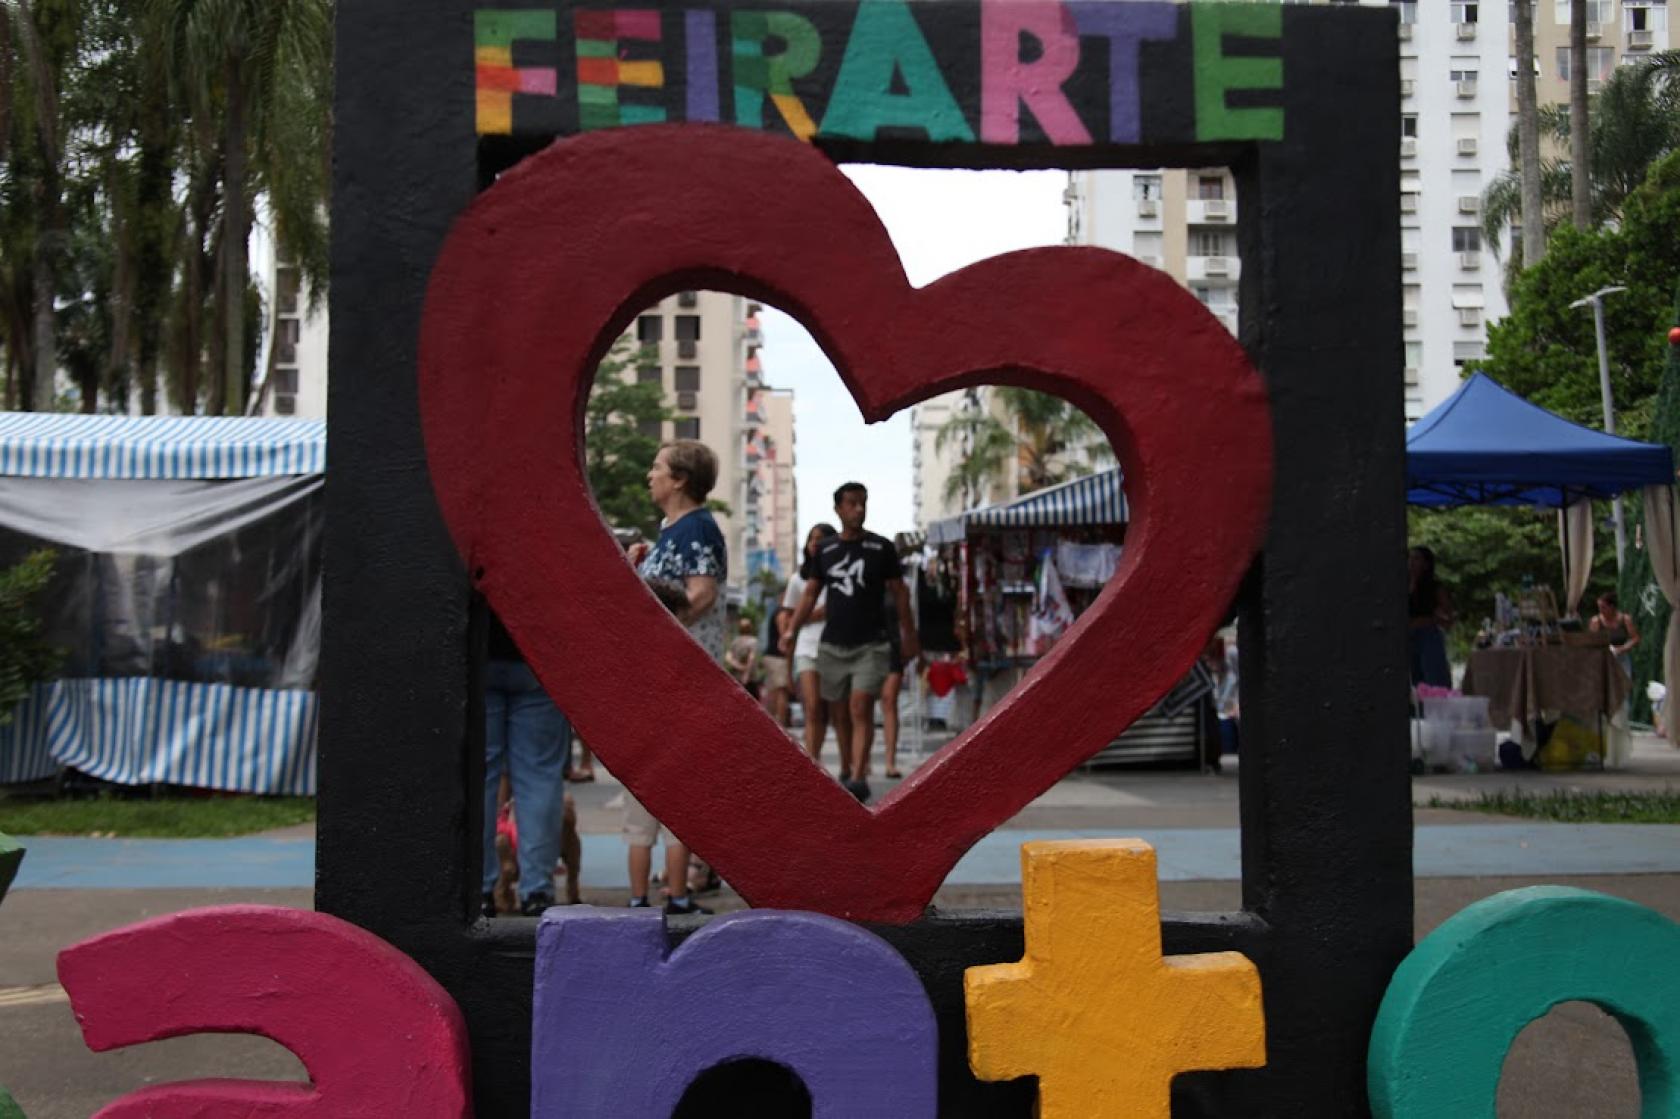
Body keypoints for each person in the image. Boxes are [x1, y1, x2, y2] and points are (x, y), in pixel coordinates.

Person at [624, 439, 724, 916]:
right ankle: (670, 889)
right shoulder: (670, 532)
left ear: (680, 479)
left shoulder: (698, 529)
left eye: (657, 467)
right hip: (663, 676)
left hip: (685, 677)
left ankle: (676, 890)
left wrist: (647, 591)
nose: (650, 475)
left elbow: (699, 596)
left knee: (678, 786)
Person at [783, 484, 919, 803]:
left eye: (863, 504)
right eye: (852, 504)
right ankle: (846, 767)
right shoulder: (826, 551)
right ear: (838, 510)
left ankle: (859, 775)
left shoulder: (881, 548)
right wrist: (792, 628)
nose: (858, 509)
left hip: (871, 643)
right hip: (833, 645)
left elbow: (900, 593)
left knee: (861, 706)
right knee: (839, 711)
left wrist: (909, 634)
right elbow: (810, 593)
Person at [481, 610, 569, 917]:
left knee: (480, 775)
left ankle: (480, 888)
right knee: (539, 777)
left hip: (480, 646)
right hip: (538, 648)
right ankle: (537, 891)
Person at [784, 524, 843, 769]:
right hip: (806, 647)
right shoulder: (797, 579)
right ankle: (811, 763)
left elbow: (833, 611)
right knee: (812, 707)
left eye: (821, 539)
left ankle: (847, 765)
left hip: (835, 646)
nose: (815, 544)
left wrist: (807, 615)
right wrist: (809, 616)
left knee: (835, 712)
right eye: (811, 539)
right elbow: (788, 618)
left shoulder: (841, 576)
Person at [1408, 546, 1453, 688]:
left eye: (1416, 558)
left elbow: (1449, 615)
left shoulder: (1434, 587)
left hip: (1427, 635)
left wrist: (1436, 620)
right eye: (1410, 558)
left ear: (1426, 564)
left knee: (1434, 677)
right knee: (1416, 681)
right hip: (1409, 636)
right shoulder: (1403, 585)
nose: (1411, 562)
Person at [758, 588, 794, 729]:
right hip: (778, 657)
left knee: (774, 691)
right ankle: (781, 725)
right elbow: (785, 637)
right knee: (781, 691)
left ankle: (772, 724)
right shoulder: (783, 613)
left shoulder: (777, 612)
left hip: (771, 656)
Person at [880, 590, 905, 780]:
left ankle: (890, 761)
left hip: (892, 646)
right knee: (861, 706)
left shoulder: (896, 586)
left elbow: (907, 617)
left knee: (889, 701)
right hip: (865, 645)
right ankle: (860, 762)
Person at [1589, 591, 1641, 680]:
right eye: (1599, 608)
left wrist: (1623, 648)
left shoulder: (1625, 619)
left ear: (1612, 607)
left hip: (1621, 658)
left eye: (1603, 607)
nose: (1600, 610)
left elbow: (1635, 638)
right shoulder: (1596, 621)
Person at [726, 617, 761, 698]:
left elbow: (728, 657)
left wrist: (738, 666)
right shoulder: (753, 641)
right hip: (750, 678)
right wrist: (746, 673)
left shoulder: (735, 641)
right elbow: (752, 658)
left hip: (735, 676)